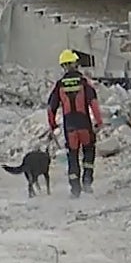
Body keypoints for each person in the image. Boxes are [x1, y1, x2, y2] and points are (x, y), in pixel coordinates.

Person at [46, 49, 103, 198]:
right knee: (89, 151)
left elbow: (50, 108)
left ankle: (75, 190)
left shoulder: (59, 85)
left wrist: (52, 125)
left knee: (72, 156)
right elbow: (94, 104)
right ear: (75, 63)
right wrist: (99, 122)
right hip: (84, 125)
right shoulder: (84, 82)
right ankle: (87, 180)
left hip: (69, 127)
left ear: (63, 66)